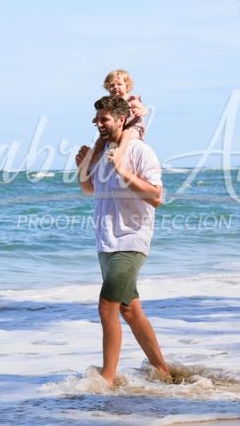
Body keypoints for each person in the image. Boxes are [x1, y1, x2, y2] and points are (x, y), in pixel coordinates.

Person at [75, 95, 170, 387]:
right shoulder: (104, 153)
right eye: (97, 119)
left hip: (131, 241)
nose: (98, 123)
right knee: (129, 309)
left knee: (107, 307)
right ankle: (162, 371)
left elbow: (156, 196)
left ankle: (108, 378)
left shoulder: (141, 152)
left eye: (104, 118)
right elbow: (91, 189)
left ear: (120, 119)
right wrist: (81, 168)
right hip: (106, 242)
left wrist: (123, 171)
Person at [88, 69, 147, 168]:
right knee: (101, 139)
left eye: (119, 84)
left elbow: (144, 109)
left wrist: (139, 111)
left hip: (133, 126)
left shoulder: (131, 99)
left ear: (127, 86)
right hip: (117, 128)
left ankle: (119, 152)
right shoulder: (110, 102)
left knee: (126, 134)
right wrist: (97, 119)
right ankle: (91, 158)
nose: (115, 87)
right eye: (112, 85)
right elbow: (104, 112)